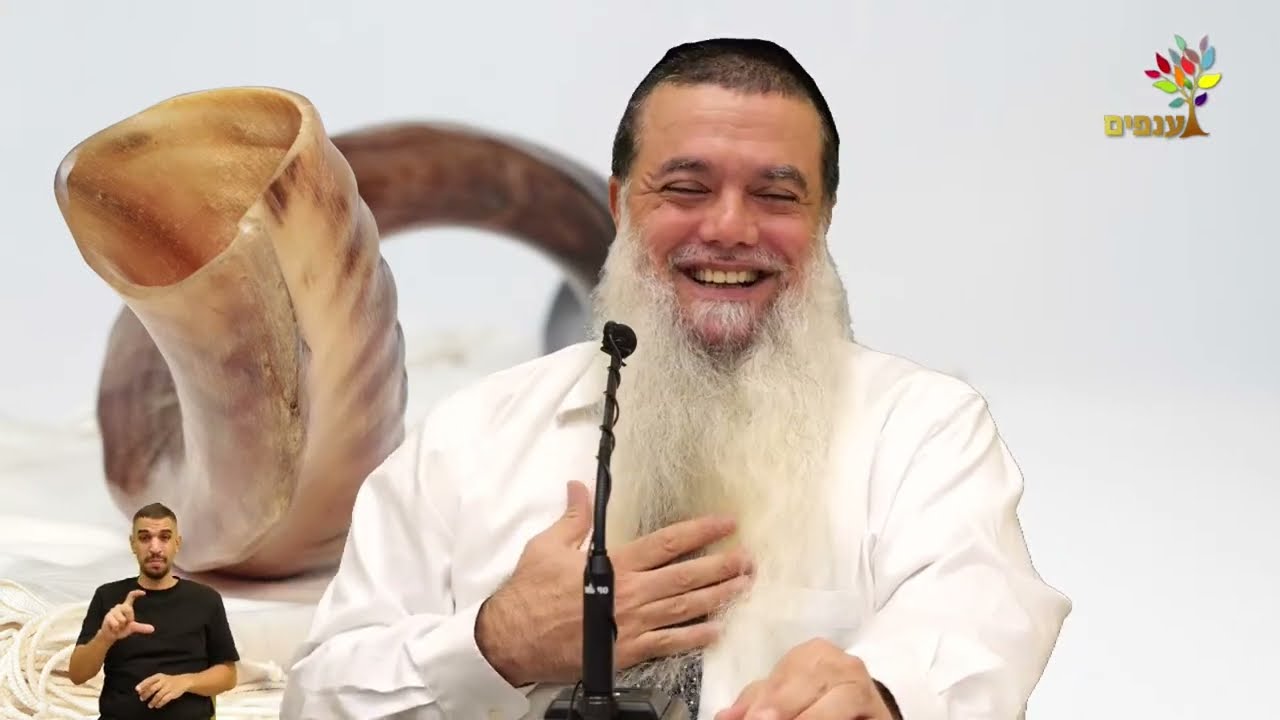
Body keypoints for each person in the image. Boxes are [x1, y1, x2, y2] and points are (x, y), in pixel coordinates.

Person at [281, 37, 1071, 720]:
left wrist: (879, 693)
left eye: (776, 194)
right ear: (622, 204)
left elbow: (979, 620)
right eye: (687, 189)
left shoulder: (922, 428)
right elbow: (316, 697)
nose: (729, 228)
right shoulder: (471, 437)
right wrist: (497, 643)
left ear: (824, 217)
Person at [69, 503, 240, 719]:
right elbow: (77, 675)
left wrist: (185, 682)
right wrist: (105, 637)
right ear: (133, 544)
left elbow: (228, 675)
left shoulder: (205, 599)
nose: (155, 548)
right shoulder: (108, 596)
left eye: (165, 537)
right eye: (145, 538)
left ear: (177, 543)